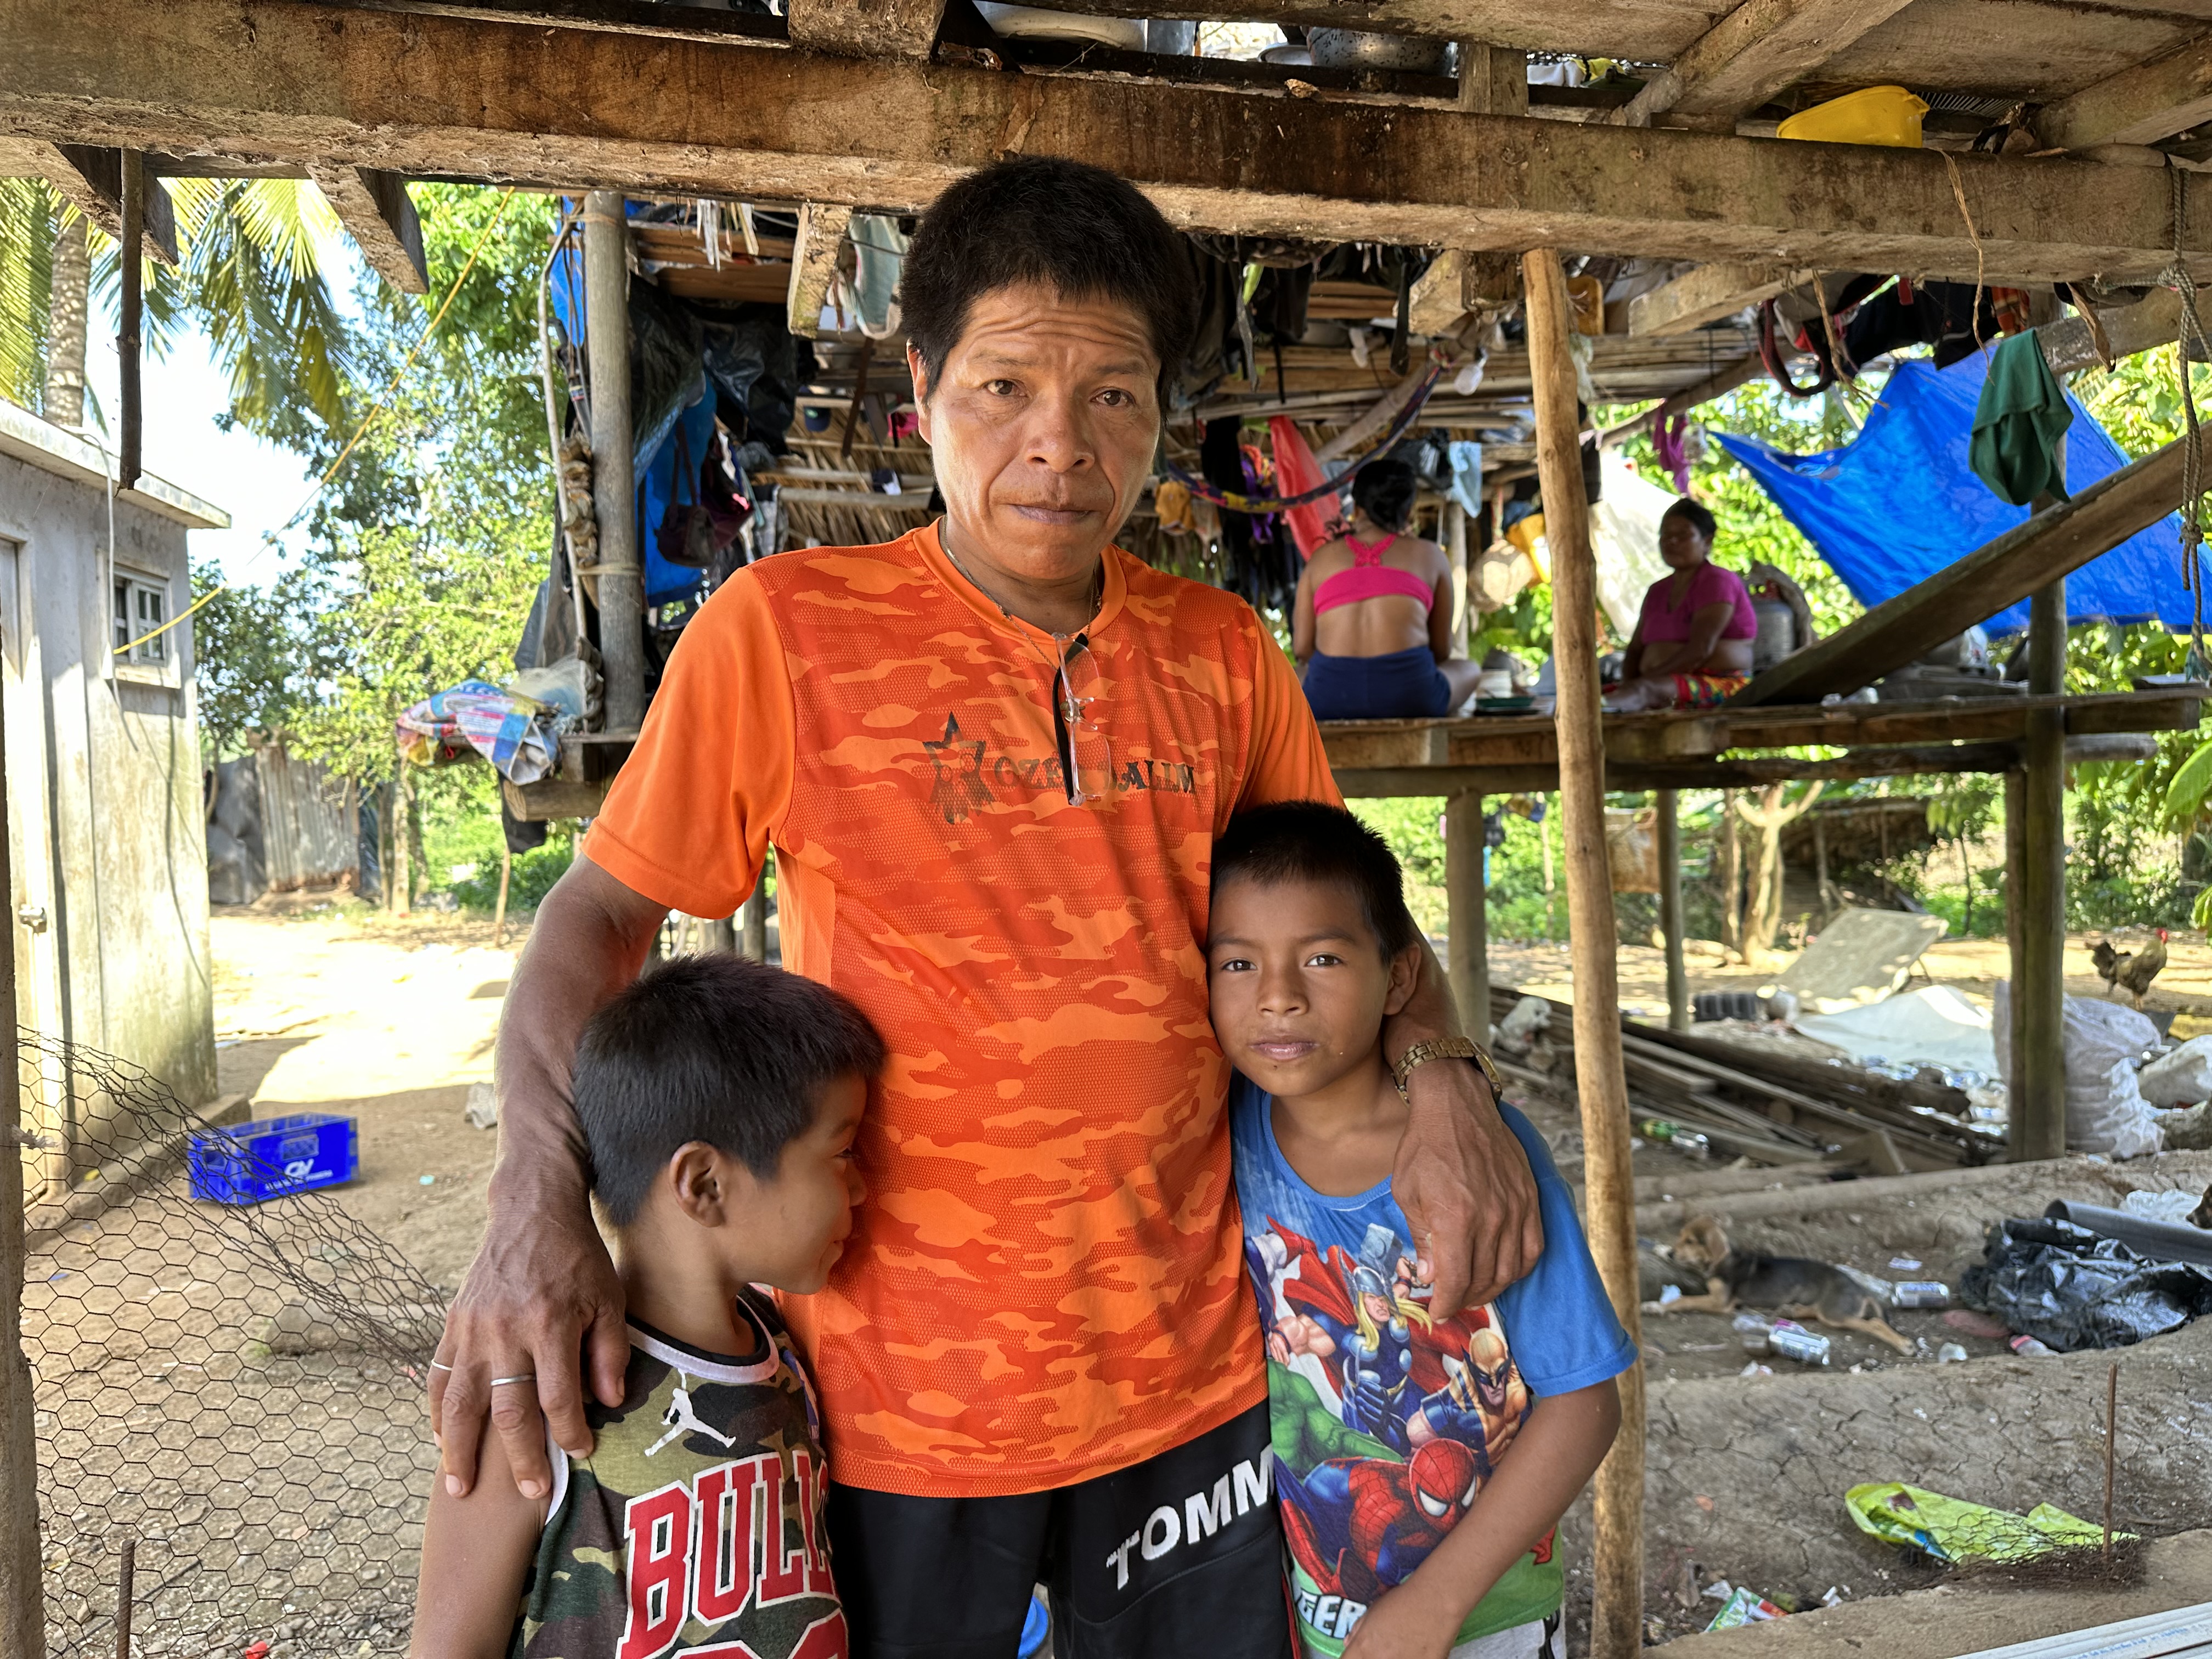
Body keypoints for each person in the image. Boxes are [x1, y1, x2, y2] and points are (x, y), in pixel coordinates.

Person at [433, 155, 1545, 1659]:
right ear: (921, 388)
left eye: (1113, 399)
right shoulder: (784, 635)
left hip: (1198, 1381)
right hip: (896, 1416)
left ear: (1161, 414)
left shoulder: (1226, 655)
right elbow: (596, 922)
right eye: (1005, 387)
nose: (1060, 450)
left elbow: (1357, 942)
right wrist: (533, 1196)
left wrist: (1447, 1076)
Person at [1206, 803, 1634, 1659]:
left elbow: (1585, 1403)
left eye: (1323, 958)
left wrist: (1434, 1609)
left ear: (1400, 980)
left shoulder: (1477, 1162)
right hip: (1312, 1603)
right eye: (1240, 963)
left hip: (1482, 1617)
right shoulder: (1221, 1133)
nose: (1279, 997)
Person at [410, 955, 881, 1658]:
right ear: (704, 1185)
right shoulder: (541, 1395)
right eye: (842, 1154)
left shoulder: (778, 1344)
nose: (866, 1188)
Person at [1294, 459, 1483, 721]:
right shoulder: (1430, 556)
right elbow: (1441, 652)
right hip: (1413, 697)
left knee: (1294, 676)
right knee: (1470, 668)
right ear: (1407, 511)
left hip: (1328, 699)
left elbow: (1303, 649)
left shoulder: (1320, 560)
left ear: (1356, 507)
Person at [1604, 498, 1756, 712]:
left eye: (1683, 535)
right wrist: (1630, 682)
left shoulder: (1718, 581)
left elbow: (1700, 650)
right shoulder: (1657, 591)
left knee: (1637, 694)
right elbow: (1636, 649)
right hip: (1657, 685)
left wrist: (1644, 682)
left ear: (1707, 542)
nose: (1672, 541)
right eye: (1666, 535)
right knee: (1596, 695)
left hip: (1722, 683)